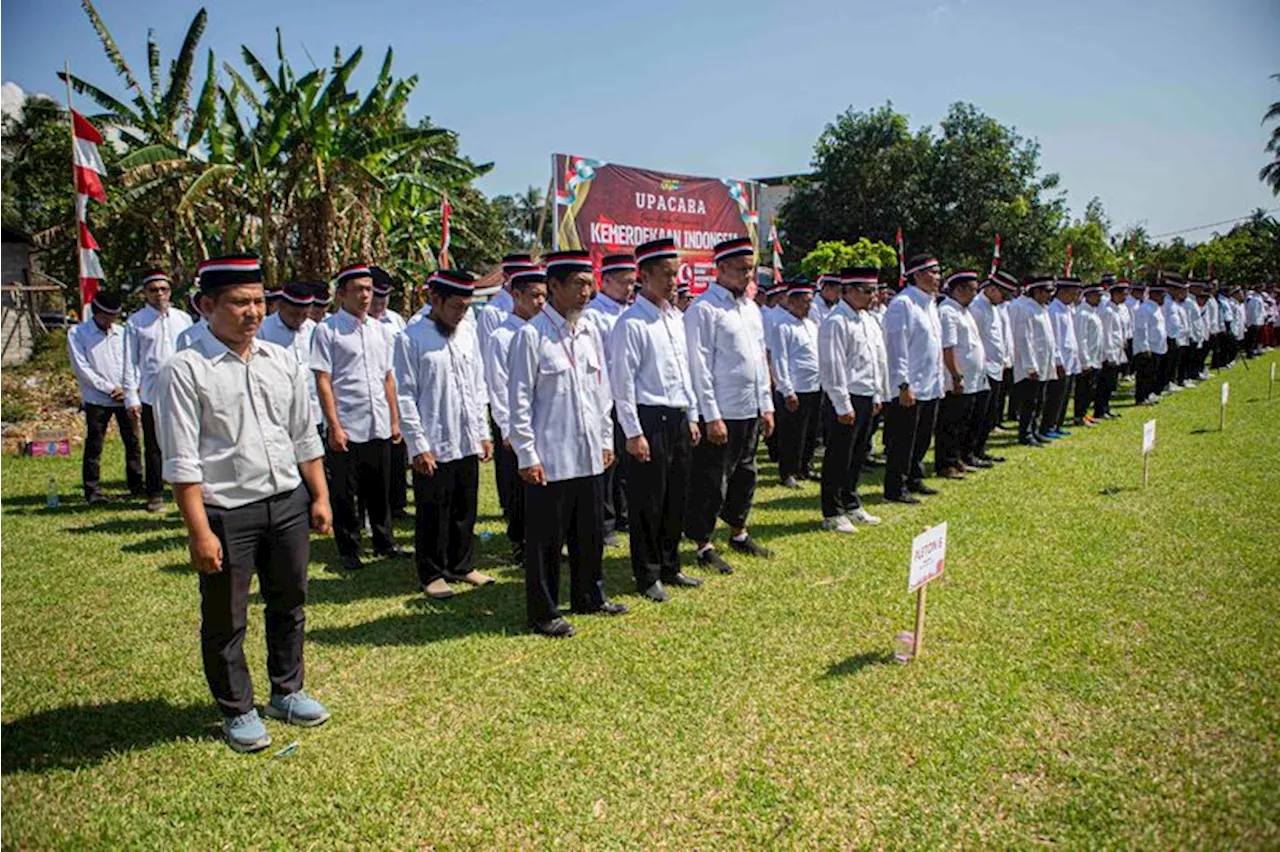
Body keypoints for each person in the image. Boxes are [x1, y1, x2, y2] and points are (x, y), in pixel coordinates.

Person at [155, 253, 332, 753]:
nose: (253, 312)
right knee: (227, 618)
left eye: (258, 301)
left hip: (287, 503)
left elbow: (303, 436)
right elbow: (183, 462)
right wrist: (199, 531)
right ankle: (237, 710)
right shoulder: (186, 370)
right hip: (227, 511)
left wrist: (318, 496)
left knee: (290, 602)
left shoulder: (282, 361)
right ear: (208, 306)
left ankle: (287, 690)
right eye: (239, 303)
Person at [507, 249, 628, 638]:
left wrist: (606, 438)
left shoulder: (589, 331)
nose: (586, 292)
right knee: (545, 541)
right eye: (578, 284)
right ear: (554, 286)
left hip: (589, 451)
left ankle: (589, 595)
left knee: (589, 532)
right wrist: (527, 454)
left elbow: (602, 391)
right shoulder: (530, 335)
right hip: (551, 457)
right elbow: (519, 401)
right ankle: (544, 611)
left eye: (589, 284)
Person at [610, 238, 703, 602]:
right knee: (648, 500)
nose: (672, 281)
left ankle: (670, 564)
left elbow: (686, 373)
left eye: (675, 273)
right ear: (643, 277)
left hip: (678, 415)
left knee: (676, 496)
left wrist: (692, 415)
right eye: (665, 274)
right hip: (648, 418)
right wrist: (633, 432)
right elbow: (623, 384)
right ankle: (647, 574)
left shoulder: (676, 319)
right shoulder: (631, 323)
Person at [395, 269, 496, 599]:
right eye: (456, 306)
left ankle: (462, 565)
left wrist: (482, 431)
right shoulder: (412, 337)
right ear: (434, 300)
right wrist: (418, 445)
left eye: (466, 307)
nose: (461, 313)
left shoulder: (467, 332)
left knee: (464, 507)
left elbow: (478, 383)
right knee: (433, 511)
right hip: (434, 440)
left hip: (465, 436)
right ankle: (432, 573)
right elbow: (405, 395)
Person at [684, 236, 775, 572]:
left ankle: (738, 531)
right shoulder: (704, 309)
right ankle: (703, 543)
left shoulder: (751, 308)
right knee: (711, 479)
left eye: (750, 271)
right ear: (720, 269)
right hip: (722, 412)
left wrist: (766, 405)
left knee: (745, 474)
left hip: (749, 407)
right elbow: (699, 367)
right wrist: (711, 415)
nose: (748, 277)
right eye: (741, 270)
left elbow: (759, 359)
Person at [311, 262, 406, 571]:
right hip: (347, 423)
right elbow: (323, 380)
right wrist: (334, 425)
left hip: (378, 419)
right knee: (345, 491)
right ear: (341, 294)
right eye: (359, 290)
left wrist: (394, 419)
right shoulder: (328, 330)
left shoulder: (381, 330)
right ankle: (349, 548)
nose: (366, 295)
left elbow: (388, 378)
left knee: (380, 487)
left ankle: (383, 540)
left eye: (369, 289)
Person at [483, 267, 547, 565]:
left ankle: (543, 540)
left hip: (543, 423)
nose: (540, 302)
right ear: (516, 296)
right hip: (516, 425)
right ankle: (520, 542)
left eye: (544, 296)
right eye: (534, 295)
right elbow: (497, 385)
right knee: (517, 487)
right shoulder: (502, 336)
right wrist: (508, 429)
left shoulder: (545, 332)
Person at [817, 265, 886, 533]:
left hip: (867, 394)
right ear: (849, 290)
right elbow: (832, 365)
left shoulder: (868, 319)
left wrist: (878, 393)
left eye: (874, 290)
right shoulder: (837, 321)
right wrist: (842, 403)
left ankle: (851, 502)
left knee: (858, 453)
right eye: (867, 291)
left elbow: (876, 361)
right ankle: (832, 512)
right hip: (845, 397)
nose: (873, 296)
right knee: (838, 455)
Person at [123, 269, 194, 511]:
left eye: (163, 289)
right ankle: (155, 494)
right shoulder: (135, 323)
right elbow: (129, 362)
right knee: (153, 445)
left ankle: (190, 491)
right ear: (145, 293)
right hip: (151, 393)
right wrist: (131, 396)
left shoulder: (183, 319)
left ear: (170, 291)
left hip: (182, 389)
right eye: (153, 290)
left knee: (187, 440)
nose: (159, 294)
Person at [68, 290, 144, 503]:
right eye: (107, 316)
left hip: (126, 396)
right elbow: (82, 368)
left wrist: (130, 388)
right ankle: (92, 491)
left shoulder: (122, 332)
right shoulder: (78, 334)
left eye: (114, 316)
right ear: (96, 312)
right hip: (97, 398)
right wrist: (110, 388)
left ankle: (137, 486)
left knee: (133, 442)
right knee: (95, 444)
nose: (111, 320)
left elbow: (134, 361)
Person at [881, 254, 945, 503]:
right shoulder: (903, 304)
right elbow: (897, 349)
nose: (938, 278)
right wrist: (903, 385)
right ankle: (896, 488)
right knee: (902, 440)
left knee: (921, 438)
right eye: (933, 272)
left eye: (939, 272)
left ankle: (914, 478)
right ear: (917, 275)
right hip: (910, 386)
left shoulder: (930, 304)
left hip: (930, 383)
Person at [584, 252, 636, 547]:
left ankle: (623, 514)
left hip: (628, 396)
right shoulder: (594, 315)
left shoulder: (628, 312)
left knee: (628, 461)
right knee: (608, 461)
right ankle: (604, 523)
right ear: (607, 281)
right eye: (624, 283)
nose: (629, 289)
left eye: (632, 283)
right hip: (606, 399)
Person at [935, 271, 989, 479]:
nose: (975, 295)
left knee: (963, 421)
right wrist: (956, 375)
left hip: (972, 377)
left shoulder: (963, 311)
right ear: (959, 289)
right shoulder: (947, 311)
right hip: (956, 377)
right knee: (950, 423)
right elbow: (948, 347)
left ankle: (957, 458)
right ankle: (945, 463)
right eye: (972, 290)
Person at [771, 279, 822, 488]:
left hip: (814, 385)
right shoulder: (782, 326)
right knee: (792, 433)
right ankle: (788, 472)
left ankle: (804, 467)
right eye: (804, 301)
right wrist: (787, 390)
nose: (809, 306)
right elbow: (779, 360)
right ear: (791, 302)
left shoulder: (811, 325)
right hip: (795, 388)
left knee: (810, 431)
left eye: (810, 302)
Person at [369, 266, 410, 519]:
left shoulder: (395, 321)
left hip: (397, 392)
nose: (380, 303)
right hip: (370, 395)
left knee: (397, 453)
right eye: (376, 297)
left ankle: (397, 503)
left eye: (384, 298)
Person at [256, 282, 322, 433]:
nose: (298, 320)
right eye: (294, 314)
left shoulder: (314, 329)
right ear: (281, 306)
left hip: (313, 412)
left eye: (304, 315)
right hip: (279, 415)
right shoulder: (263, 330)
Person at [968, 271, 1016, 464]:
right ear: (992, 289)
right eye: (1003, 294)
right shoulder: (977, 308)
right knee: (977, 415)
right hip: (983, 369)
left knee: (989, 414)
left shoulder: (994, 308)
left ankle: (980, 449)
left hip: (996, 368)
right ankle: (970, 452)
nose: (1005, 299)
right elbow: (975, 340)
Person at [1007, 276, 1058, 445]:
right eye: (1047, 292)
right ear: (1037, 292)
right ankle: (1026, 433)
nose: (1050, 296)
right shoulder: (1026, 309)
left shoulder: (1042, 309)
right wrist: (1030, 366)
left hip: (1044, 362)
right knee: (1030, 401)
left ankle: (1034, 431)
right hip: (1032, 365)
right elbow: (1024, 339)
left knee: (1039, 401)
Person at [1044, 277, 1081, 437]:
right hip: (1060, 361)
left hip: (1070, 358)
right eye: (1072, 294)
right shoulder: (1054, 310)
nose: (1074, 297)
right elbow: (1055, 339)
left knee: (1065, 395)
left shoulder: (1067, 309)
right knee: (1055, 396)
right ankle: (1048, 426)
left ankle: (1058, 424)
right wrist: (1058, 361)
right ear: (1063, 292)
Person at [1094, 276, 1128, 420]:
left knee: (1111, 384)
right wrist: (1110, 356)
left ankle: (1106, 408)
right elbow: (1106, 335)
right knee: (1104, 384)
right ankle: (1100, 410)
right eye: (1122, 294)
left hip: (1117, 350)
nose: (1125, 297)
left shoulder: (1117, 310)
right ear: (1115, 294)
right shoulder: (1108, 311)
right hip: (1109, 353)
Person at [1073, 279, 1105, 427]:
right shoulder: (1083, 313)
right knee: (1083, 390)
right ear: (1088, 296)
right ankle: (1079, 416)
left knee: (1090, 389)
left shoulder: (1093, 311)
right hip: (1087, 359)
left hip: (1095, 357)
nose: (1099, 298)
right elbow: (1081, 338)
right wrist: (1085, 361)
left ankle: (1085, 413)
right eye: (1097, 295)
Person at [1132, 281, 1169, 405]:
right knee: (1144, 374)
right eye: (1162, 296)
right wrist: (1144, 347)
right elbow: (1142, 329)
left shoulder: (1156, 308)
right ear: (1155, 295)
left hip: (1157, 346)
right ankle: (1141, 397)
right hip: (1148, 347)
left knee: (1152, 373)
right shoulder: (1145, 308)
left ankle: (1148, 394)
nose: (1164, 299)